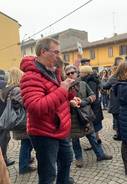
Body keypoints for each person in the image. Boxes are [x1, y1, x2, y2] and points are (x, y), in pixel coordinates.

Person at [20, 37, 75, 184]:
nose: (59, 56)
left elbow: (56, 98)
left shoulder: (53, 71)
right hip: (43, 133)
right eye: (56, 52)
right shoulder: (30, 76)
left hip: (60, 129)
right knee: (48, 174)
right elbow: (36, 107)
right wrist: (63, 89)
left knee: (66, 161)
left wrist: (70, 94)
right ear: (43, 52)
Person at [65, 65, 112, 168]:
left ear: (77, 73)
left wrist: (83, 102)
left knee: (92, 136)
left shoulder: (83, 84)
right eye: (68, 73)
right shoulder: (64, 87)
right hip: (72, 117)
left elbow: (93, 96)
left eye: (72, 72)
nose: (70, 75)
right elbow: (60, 102)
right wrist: (70, 103)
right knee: (75, 139)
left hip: (85, 115)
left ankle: (100, 155)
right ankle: (79, 159)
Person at [3, 68, 36, 175]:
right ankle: (23, 166)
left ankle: (26, 161)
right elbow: (26, 104)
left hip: (17, 121)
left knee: (26, 142)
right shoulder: (16, 90)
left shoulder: (7, 89)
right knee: (27, 143)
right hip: (22, 121)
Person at [79, 65, 104, 144]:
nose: (80, 74)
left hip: (93, 107)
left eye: (81, 72)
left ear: (86, 73)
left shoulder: (90, 81)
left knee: (93, 125)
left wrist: (85, 101)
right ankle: (97, 140)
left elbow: (92, 96)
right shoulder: (90, 79)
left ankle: (96, 141)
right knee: (94, 124)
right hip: (94, 106)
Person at [103, 57, 123, 141]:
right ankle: (120, 133)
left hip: (116, 100)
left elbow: (105, 86)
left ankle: (119, 135)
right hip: (123, 100)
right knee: (121, 118)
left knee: (117, 118)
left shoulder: (114, 76)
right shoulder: (124, 74)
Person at [0, 69, 15, 167]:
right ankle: (3, 159)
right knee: (4, 137)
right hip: (2, 116)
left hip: (2, 114)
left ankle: (4, 158)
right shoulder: (3, 83)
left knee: (5, 137)